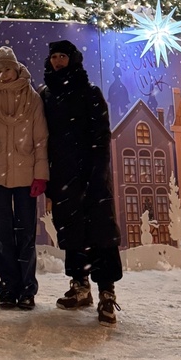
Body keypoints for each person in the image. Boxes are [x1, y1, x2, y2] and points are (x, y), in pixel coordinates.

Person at [40, 40, 122, 326]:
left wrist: (98, 173)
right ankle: (80, 285)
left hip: (92, 177)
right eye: (54, 56)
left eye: (63, 56)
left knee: (101, 234)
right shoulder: (46, 95)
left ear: (72, 59)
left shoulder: (90, 93)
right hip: (63, 177)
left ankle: (107, 293)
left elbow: (101, 137)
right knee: (72, 233)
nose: (58, 61)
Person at [0, 46, 48, 310]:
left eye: (7, 68)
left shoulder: (33, 98)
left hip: (27, 174)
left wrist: (41, 174)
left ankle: (27, 289)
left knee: (26, 233)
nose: (3, 74)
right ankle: (7, 287)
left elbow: (41, 140)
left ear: (16, 68)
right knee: (2, 235)